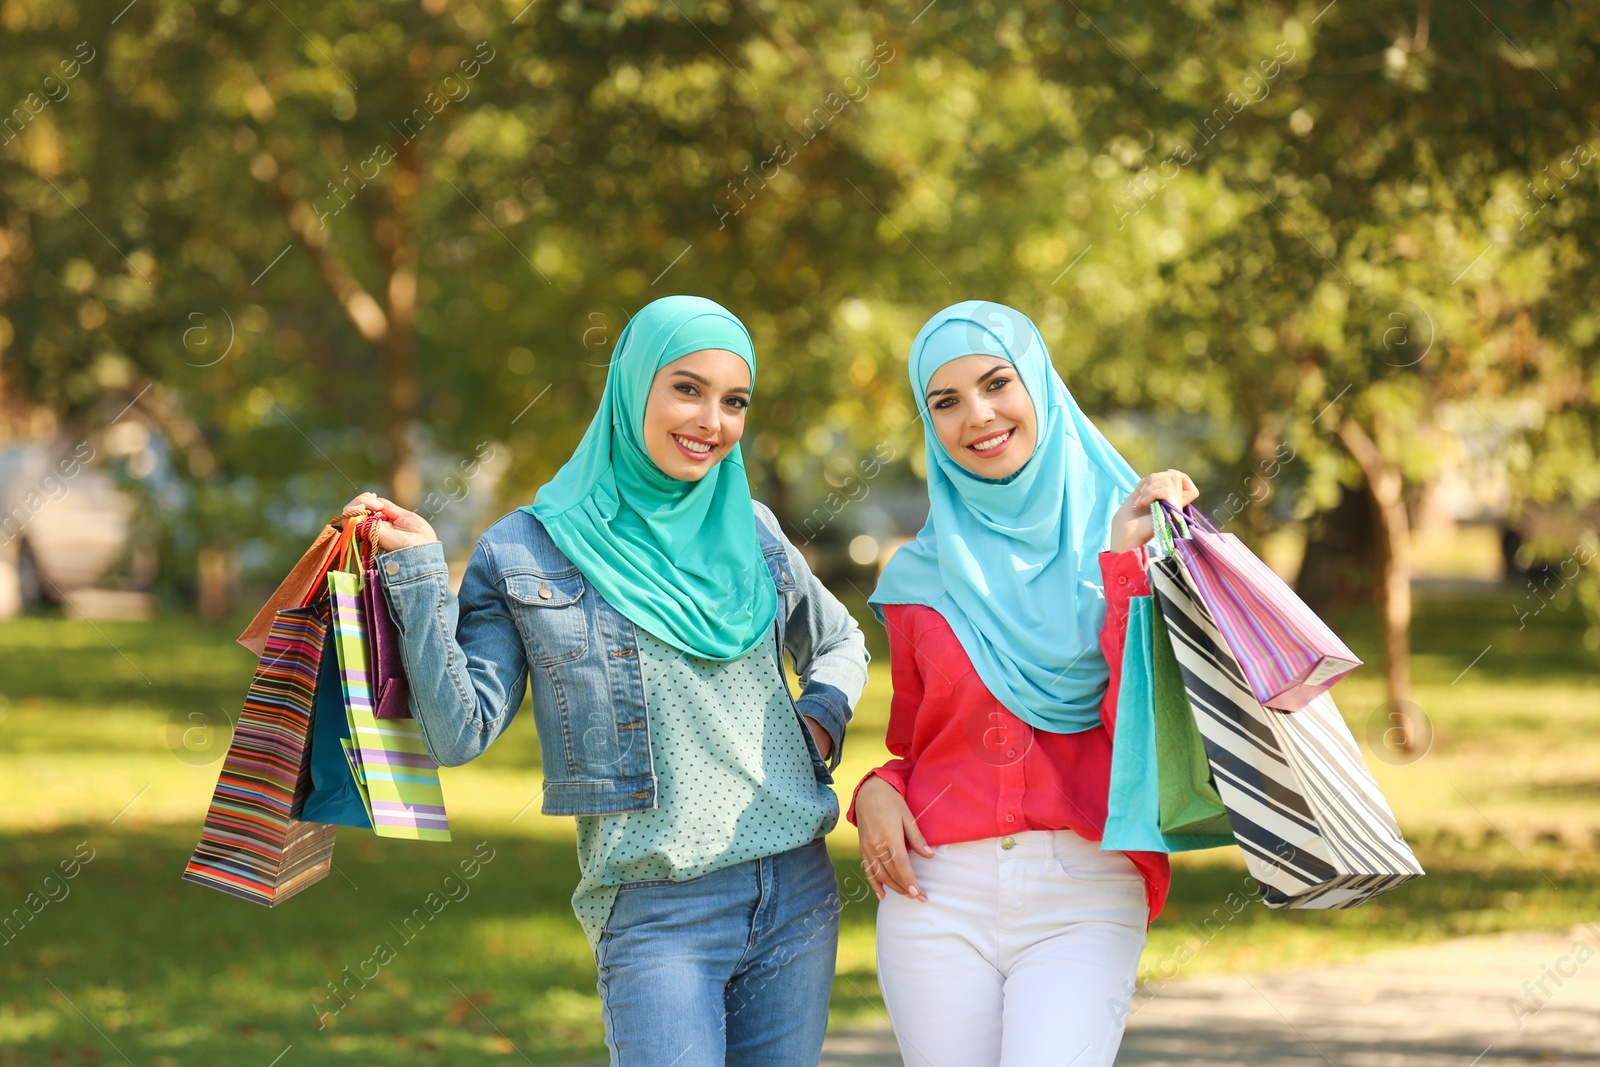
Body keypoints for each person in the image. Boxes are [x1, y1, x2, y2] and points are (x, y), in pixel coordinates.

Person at [344, 295, 870, 1067]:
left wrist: (819, 718)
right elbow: (458, 733)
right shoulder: (526, 550)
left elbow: (841, 640)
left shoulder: (750, 526)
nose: (711, 420)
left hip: (795, 888)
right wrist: (421, 571)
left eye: (735, 401)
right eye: (687, 388)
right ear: (632, 387)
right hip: (658, 911)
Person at [848, 300, 1199, 1067]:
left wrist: (1124, 570)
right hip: (936, 893)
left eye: (996, 382)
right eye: (945, 401)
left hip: (1085, 886)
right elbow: (917, 744)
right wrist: (874, 787)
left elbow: (1146, 728)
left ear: (1038, 384)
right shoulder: (916, 579)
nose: (977, 414)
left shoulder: (1138, 538)